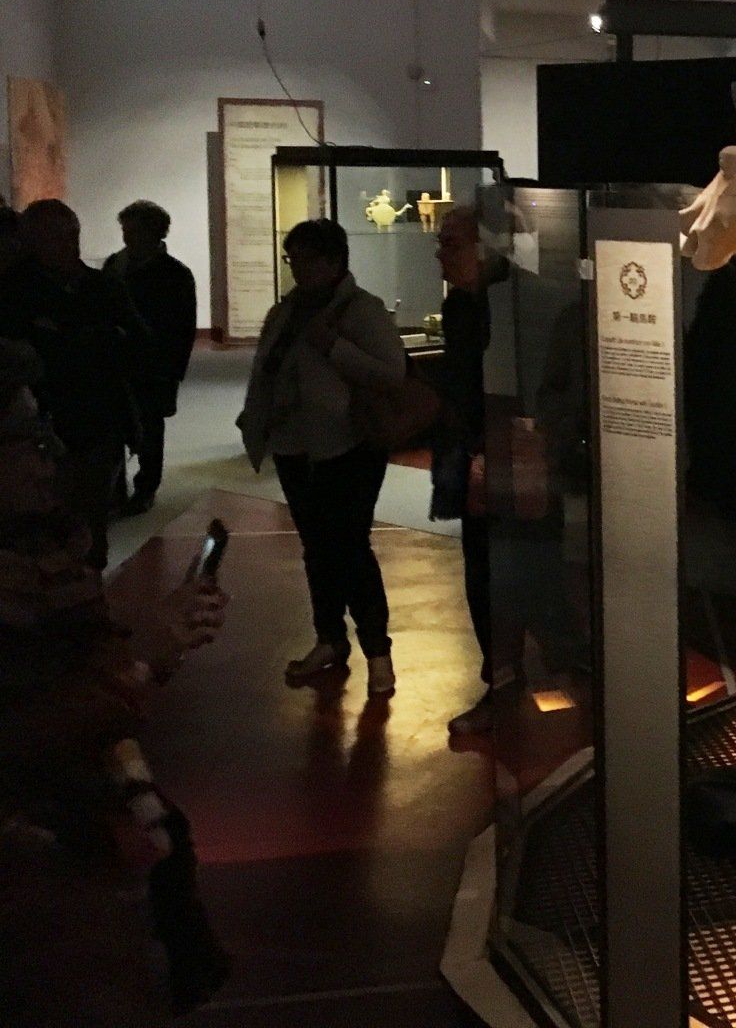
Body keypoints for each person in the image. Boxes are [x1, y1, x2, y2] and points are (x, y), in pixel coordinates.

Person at [0, 340, 230, 1024]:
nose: (49, 453)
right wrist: (138, 664)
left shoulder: (40, 542)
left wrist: (149, 642)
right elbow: (25, 731)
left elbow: (77, 667)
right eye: (27, 434)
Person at [237, 219, 405, 697]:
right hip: (295, 446)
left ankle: (377, 650)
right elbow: (265, 372)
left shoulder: (362, 310)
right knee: (316, 547)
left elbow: (392, 373)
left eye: (306, 259)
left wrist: (333, 346)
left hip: (350, 446)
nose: (297, 269)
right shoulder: (285, 311)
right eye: (291, 259)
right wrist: (257, 420)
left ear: (334, 262)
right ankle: (329, 638)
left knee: (349, 546)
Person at [0, 200, 153, 569]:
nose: (69, 245)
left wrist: (69, 340)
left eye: (72, 236)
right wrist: (90, 341)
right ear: (32, 242)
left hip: (97, 424)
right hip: (36, 428)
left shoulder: (102, 286)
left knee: (89, 529)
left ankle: (88, 595)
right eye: (56, 238)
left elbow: (140, 343)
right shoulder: (13, 291)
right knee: (35, 536)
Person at [432, 206, 505, 735]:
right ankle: (499, 680)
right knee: (481, 571)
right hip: (477, 455)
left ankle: (512, 681)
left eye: (451, 244)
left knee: (506, 572)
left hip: (507, 455)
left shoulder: (508, 303)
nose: (440, 255)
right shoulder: (460, 305)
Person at [104, 201, 198, 517]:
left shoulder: (175, 275)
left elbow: (183, 329)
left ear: (155, 233)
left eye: (134, 231)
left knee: (149, 430)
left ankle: (146, 488)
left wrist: (172, 373)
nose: (127, 237)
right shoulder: (114, 266)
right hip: (116, 362)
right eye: (125, 230)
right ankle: (115, 489)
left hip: (153, 365)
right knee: (113, 426)